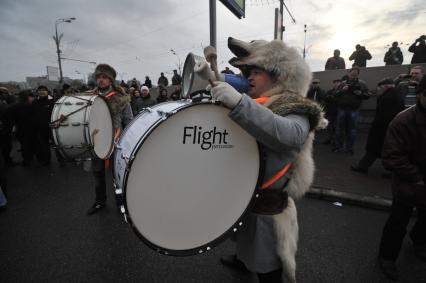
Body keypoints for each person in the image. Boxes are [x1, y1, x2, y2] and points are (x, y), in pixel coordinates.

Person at [214, 37, 327, 283]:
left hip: (268, 205)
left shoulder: (296, 106)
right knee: (247, 245)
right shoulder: (261, 101)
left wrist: (239, 103)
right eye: (247, 72)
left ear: (278, 77)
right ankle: (243, 261)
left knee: (269, 266)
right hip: (248, 197)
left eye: (256, 72)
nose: (248, 78)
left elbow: (291, 135)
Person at [377, 75, 426, 281]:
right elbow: (391, 157)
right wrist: (417, 178)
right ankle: (386, 257)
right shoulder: (403, 121)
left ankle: (419, 241)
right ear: (421, 96)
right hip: (408, 184)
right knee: (397, 222)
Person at [83, 64, 133, 215]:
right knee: (97, 175)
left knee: (117, 175)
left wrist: (126, 141)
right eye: (98, 77)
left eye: (104, 77)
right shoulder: (89, 97)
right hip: (96, 141)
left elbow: (129, 120)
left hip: (115, 140)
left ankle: (121, 204)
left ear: (111, 80)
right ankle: (100, 202)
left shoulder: (121, 98)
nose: (101, 80)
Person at [351, 78, 405, 173]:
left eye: (379, 88)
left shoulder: (388, 97)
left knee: (376, 149)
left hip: (382, 129)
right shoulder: (395, 95)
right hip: (388, 128)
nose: (379, 90)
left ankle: (363, 167)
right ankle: (364, 167)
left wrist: (376, 123)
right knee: (383, 150)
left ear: (385, 86)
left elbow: (385, 115)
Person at [333, 67, 369, 154]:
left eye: (355, 75)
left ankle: (349, 149)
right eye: (352, 74)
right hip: (342, 109)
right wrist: (342, 90)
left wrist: (361, 94)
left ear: (358, 74)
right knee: (339, 130)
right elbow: (335, 94)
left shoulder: (362, 84)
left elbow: (368, 95)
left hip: (354, 110)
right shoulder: (343, 84)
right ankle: (338, 147)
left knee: (352, 130)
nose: (353, 76)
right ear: (349, 73)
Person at [8, 90, 36, 166]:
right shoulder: (31, 105)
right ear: (27, 97)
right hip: (32, 128)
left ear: (19, 97)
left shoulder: (15, 106)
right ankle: (31, 157)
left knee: (24, 145)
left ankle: (26, 161)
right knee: (31, 143)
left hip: (21, 129)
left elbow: (12, 120)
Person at [32, 85, 54, 166]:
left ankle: (61, 159)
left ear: (47, 91)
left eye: (43, 90)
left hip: (52, 127)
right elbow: (33, 115)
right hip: (40, 128)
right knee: (44, 145)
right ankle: (47, 160)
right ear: (37, 92)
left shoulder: (53, 101)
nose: (41, 92)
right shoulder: (35, 102)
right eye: (40, 90)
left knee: (56, 144)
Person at [322, 79, 342, 145]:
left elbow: (339, 100)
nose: (336, 84)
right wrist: (332, 98)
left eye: (338, 83)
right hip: (330, 111)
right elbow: (326, 98)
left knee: (336, 127)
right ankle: (329, 139)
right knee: (329, 126)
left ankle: (335, 140)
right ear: (333, 84)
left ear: (340, 84)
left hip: (338, 112)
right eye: (335, 83)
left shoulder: (342, 92)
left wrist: (332, 98)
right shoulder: (330, 91)